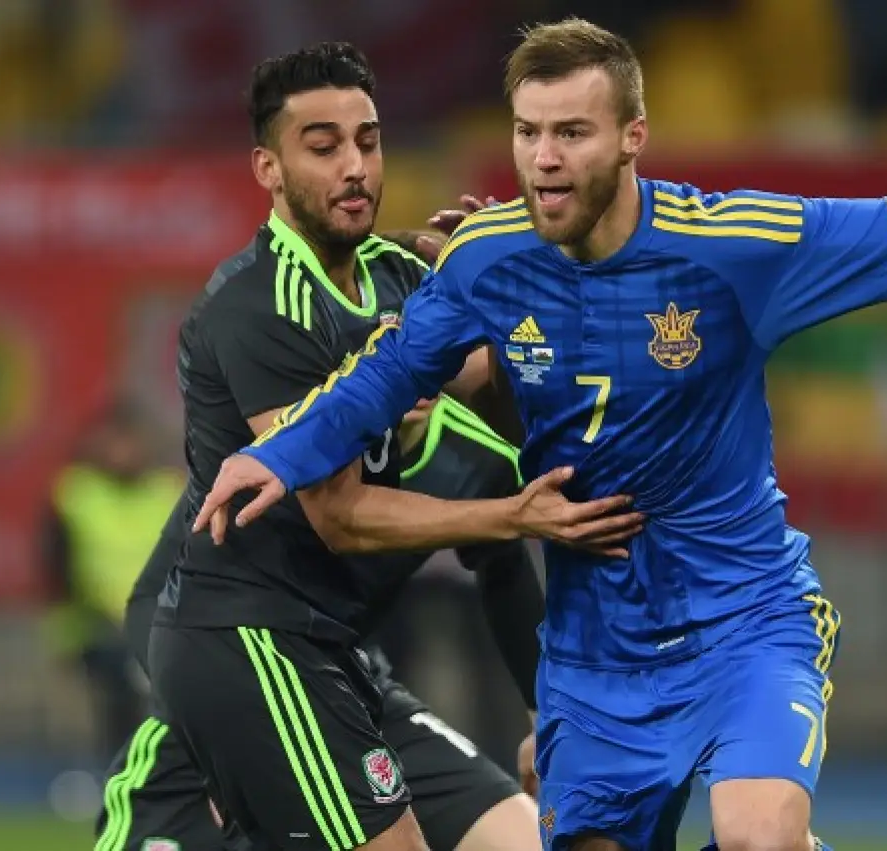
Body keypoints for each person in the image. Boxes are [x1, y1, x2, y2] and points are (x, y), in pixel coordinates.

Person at [195, 18, 887, 851]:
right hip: (595, 654)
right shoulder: (485, 258)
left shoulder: (735, 246)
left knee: (756, 829)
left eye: (571, 133)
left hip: (742, 620)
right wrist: (276, 454)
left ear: (632, 139)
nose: (544, 160)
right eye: (527, 134)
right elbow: (380, 382)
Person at [146, 41, 637, 851]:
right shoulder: (260, 307)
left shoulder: (400, 276)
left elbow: (514, 410)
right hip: (252, 643)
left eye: (368, 142)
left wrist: (506, 291)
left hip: (341, 654)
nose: (355, 168)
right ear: (269, 169)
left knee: (522, 841)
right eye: (323, 147)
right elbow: (338, 514)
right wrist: (515, 514)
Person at [99, 394, 543, 851]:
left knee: (529, 841)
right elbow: (151, 597)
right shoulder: (286, 437)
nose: (419, 381)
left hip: (351, 692)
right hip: (227, 698)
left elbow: (506, 572)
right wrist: (201, 725)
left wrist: (542, 719)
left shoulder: (478, 459)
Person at [43, 398, 186, 762]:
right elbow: (57, 569)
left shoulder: (167, 492)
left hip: (158, 626)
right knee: (119, 700)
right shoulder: (75, 494)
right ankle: (117, 772)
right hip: (96, 629)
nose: (123, 451)